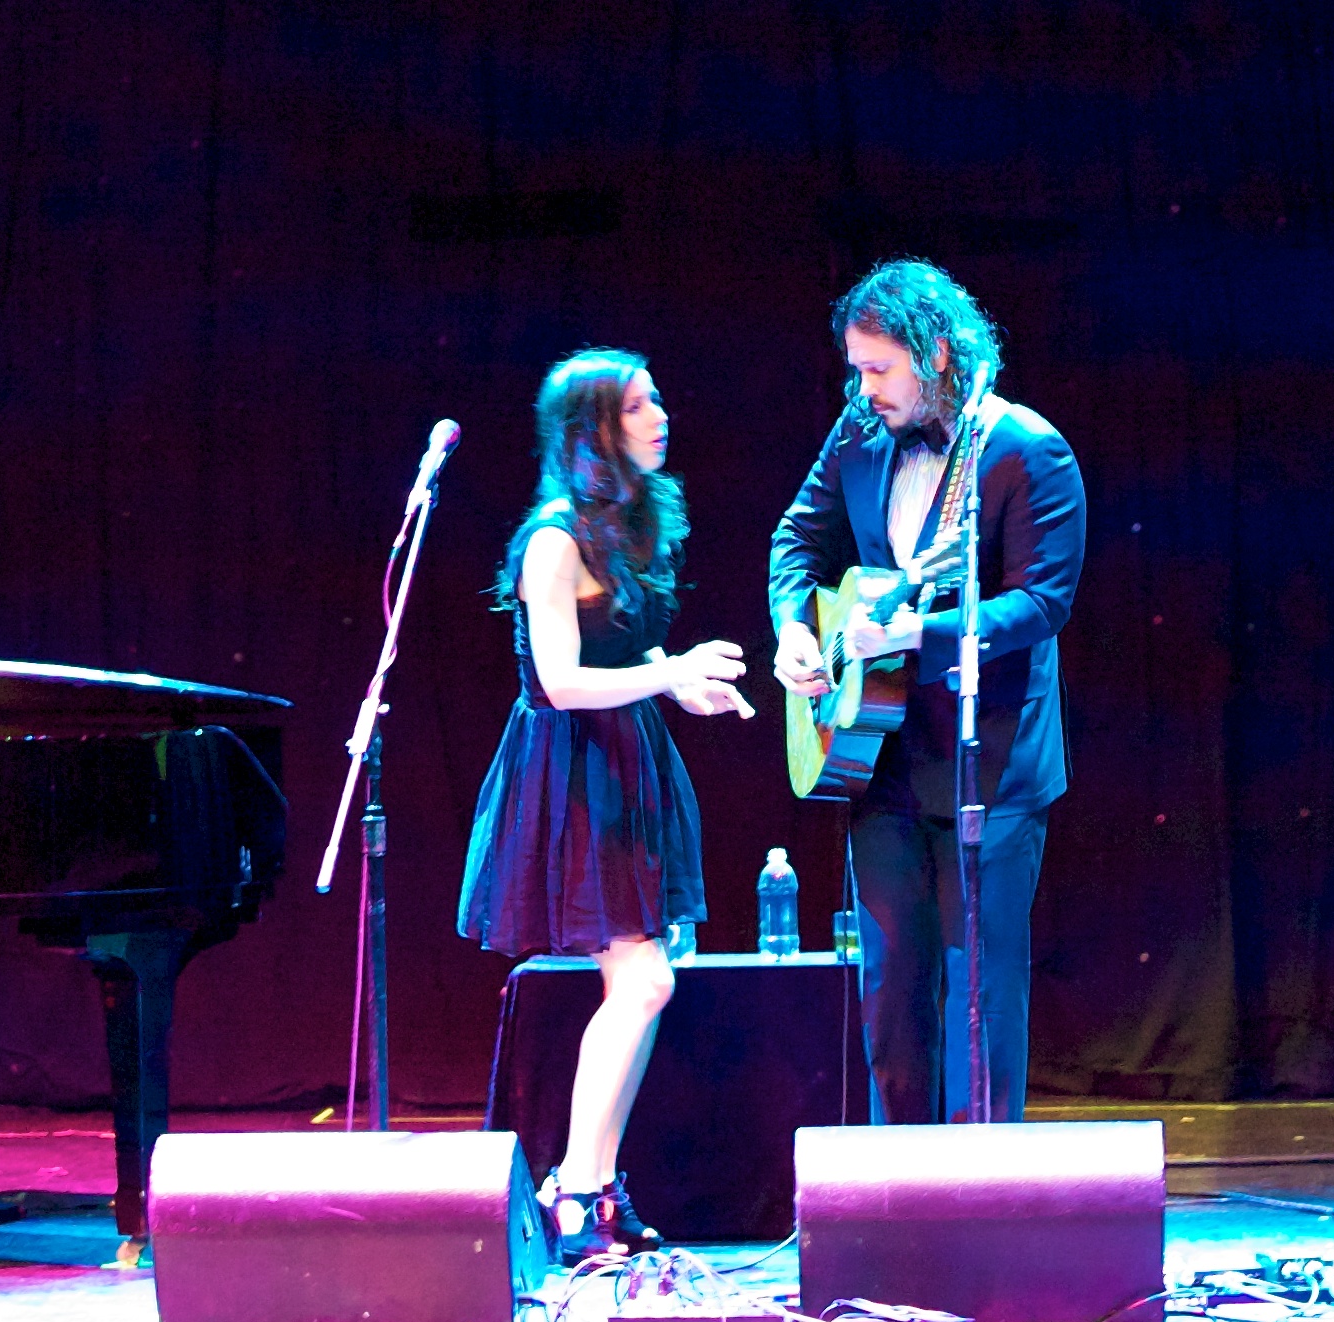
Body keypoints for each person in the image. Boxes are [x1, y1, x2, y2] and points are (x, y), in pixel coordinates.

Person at [769, 261, 1086, 1125]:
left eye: (878, 368)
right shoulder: (858, 433)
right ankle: (891, 1197)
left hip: (992, 766)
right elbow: (796, 539)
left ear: (938, 353)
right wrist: (796, 631)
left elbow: (1042, 602)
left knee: (980, 998)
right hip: (877, 760)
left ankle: (978, 1201)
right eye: (855, 368)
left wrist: (922, 635)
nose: (861, 387)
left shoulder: (1025, 448)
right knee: (892, 995)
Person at [459, 348, 754, 1263]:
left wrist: (683, 689)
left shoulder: (634, 526)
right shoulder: (555, 540)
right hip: (573, 771)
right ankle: (577, 1192)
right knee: (646, 981)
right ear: (593, 429)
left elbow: (627, 667)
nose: (660, 414)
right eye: (636, 406)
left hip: (627, 763)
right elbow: (557, 682)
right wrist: (666, 674)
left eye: (657, 398)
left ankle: (591, 1185)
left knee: (640, 986)